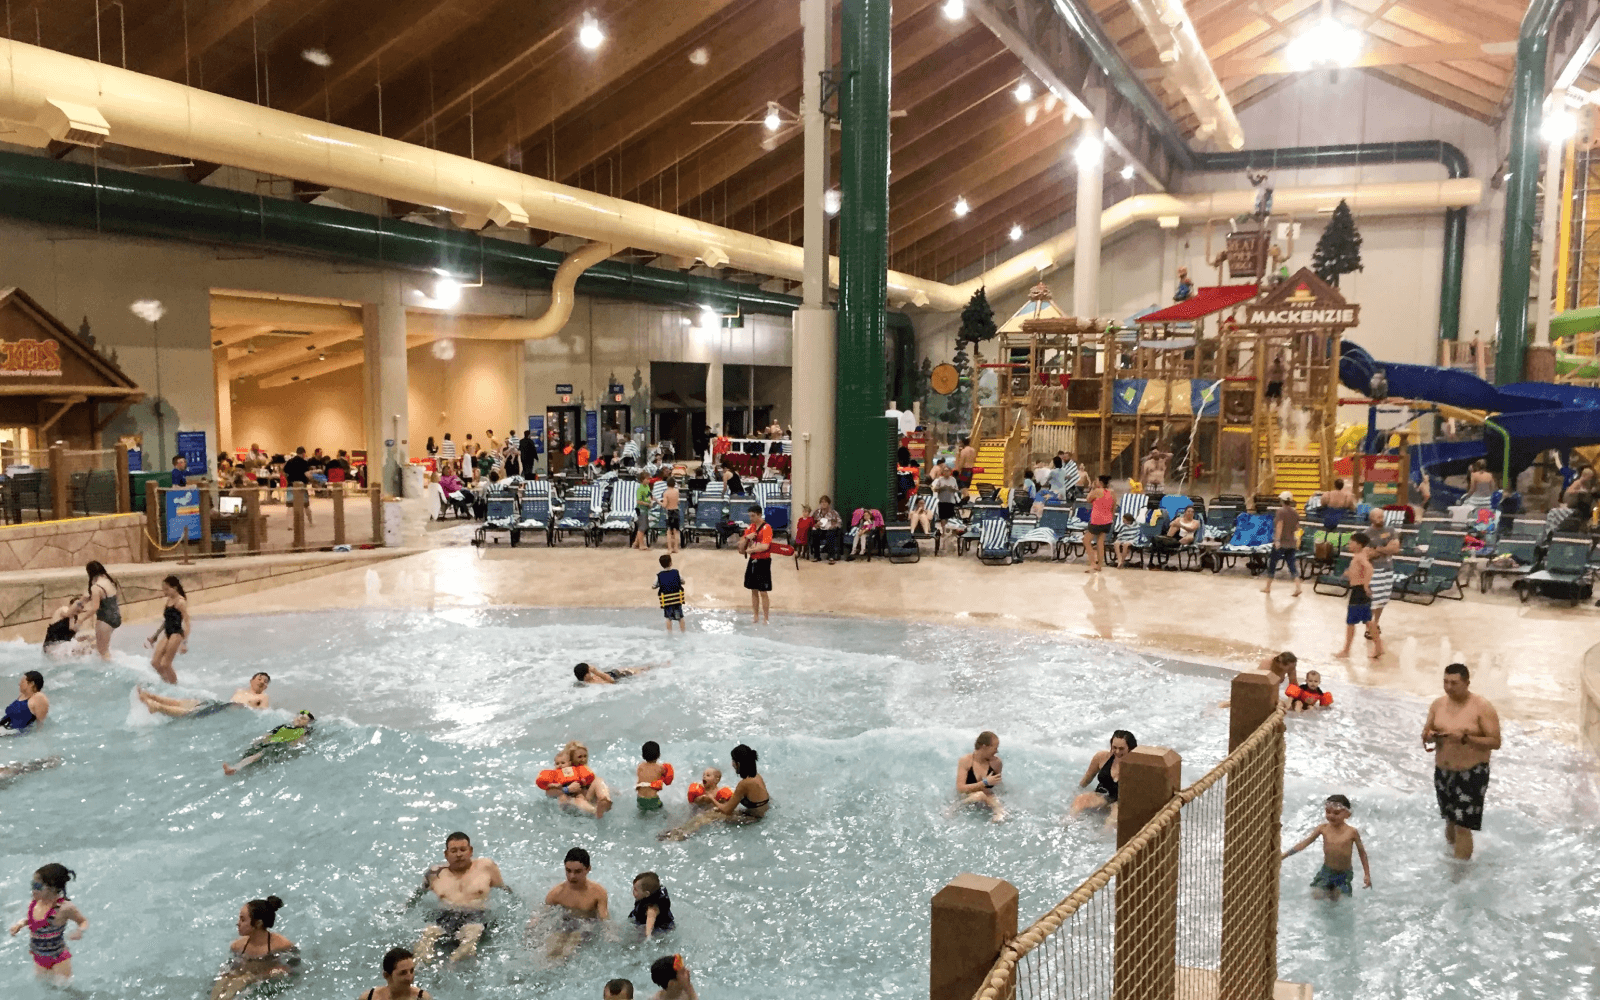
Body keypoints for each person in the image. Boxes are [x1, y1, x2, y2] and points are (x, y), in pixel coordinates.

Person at [1423, 663, 1501, 861]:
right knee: (1449, 821)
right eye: (1445, 682)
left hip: (1471, 772)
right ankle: (1451, 858)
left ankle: (1460, 874)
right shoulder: (1438, 704)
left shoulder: (1481, 707)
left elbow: (1495, 742)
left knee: (1463, 826)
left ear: (1467, 683)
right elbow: (1426, 734)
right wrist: (1431, 736)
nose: (1448, 687)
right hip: (1443, 772)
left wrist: (1466, 738)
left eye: (1454, 683)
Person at [411, 831, 509, 964]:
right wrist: (406, 907)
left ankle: (452, 967)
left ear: (470, 851)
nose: (459, 854)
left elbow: (504, 890)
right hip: (446, 915)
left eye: (463, 849)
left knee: (471, 934)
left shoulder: (486, 867)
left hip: (476, 915)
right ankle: (418, 973)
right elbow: (418, 895)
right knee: (427, 936)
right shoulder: (434, 874)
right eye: (454, 851)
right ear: (446, 854)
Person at [660, 744, 768, 841]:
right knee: (714, 810)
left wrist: (711, 798)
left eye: (733, 761)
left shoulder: (744, 784)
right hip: (758, 814)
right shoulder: (757, 777)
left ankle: (678, 835)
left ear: (738, 763)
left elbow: (726, 810)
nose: (732, 764)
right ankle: (681, 831)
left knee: (705, 816)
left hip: (751, 819)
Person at [1282, 794, 1371, 900]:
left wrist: (1367, 874)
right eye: (1328, 812)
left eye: (1336, 813)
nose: (1331, 816)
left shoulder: (1352, 832)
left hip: (1344, 874)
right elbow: (1304, 843)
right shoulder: (1323, 828)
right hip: (1326, 871)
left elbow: (1362, 853)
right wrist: (1284, 855)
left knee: (1337, 900)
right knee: (1316, 895)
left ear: (1347, 814)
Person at [529, 848, 609, 963]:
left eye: (577, 871)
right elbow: (541, 913)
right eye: (568, 871)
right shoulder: (556, 892)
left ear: (588, 869)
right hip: (565, 924)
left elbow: (604, 918)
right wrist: (532, 927)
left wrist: (610, 934)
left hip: (586, 925)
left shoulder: (598, 892)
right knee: (550, 952)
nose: (572, 876)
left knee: (567, 952)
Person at [9, 863, 86, 979]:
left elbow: (83, 921)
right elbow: (32, 921)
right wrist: (20, 924)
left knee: (64, 990)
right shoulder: (34, 904)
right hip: (39, 958)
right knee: (45, 989)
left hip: (59, 959)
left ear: (53, 888)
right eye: (32, 885)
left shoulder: (64, 908)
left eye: (37, 886)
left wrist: (80, 930)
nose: (33, 890)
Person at [211, 896, 297, 1000]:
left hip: (260, 980)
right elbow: (231, 966)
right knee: (220, 986)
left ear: (258, 923)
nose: (238, 923)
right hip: (243, 974)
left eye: (243, 919)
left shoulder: (281, 945)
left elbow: (290, 969)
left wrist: (251, 978)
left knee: (236, 984)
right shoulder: (237, 946)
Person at [139, 671, 271, 718]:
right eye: (259, 678)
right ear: (251, 680)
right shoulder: (240, 691)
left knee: (190, 712)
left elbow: (263, 714)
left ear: (266, 687)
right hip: (222, 706)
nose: (261, 682)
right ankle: (152, 697)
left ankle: (157, 707)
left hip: (224, 710)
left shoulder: (262, 697)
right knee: (186, 702)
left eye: (265, 682)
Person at [222, 710, 315, 774]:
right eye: (298, 717)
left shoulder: (304, 731)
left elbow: (302, 742)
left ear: (308, 723)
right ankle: (238, 766)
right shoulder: (284, 726)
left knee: (258, 755)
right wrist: (259, 740)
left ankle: (235, 768)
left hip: (279, 746)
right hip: (270, 742)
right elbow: (269, 733)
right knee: (251, 751)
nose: (299, 719)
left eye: (303, 719)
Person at [1072, 730, 1137, 821]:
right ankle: (1066, 825)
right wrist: (1076, 791)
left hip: (1120, 802)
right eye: (1114, 747)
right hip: (1103, 795)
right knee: (1080, 800)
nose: (1117, 751)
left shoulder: (1137, 765)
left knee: (1112, 820)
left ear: (1130, 748)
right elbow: (1087, 779)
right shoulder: (1101, 757)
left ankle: (1101, 835)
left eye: (1121, 749)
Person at [1335, 532, 1381, 658]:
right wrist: (1349, 573)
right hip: (1359, 590)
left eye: (1351, 542)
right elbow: (1359, 571)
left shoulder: (1360, 556)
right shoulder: (1359, 555)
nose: (1349, 544)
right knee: (1367, 621)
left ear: (1359, 545)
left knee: (1352, 622)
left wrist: (1366, 585)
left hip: (1359, 591)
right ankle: (1379, 647)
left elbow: (1369, 569)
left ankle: (1346, 650)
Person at [543, 741, 613, 817]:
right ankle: (595, 812)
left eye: (585, 756)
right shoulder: (561, 772)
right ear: (571, 760)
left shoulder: (585, 773)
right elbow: (548, 792)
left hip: (587, 799)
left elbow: (599, 785)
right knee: (576, 799)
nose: (583, 759)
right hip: (573, 803)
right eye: (579, 757)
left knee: (599, 780)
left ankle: (604, 801)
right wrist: (567, 789)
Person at [144, 574, 190, 685]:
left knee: (166, 663)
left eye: (166, 589)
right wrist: (155, 636)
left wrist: (184, 643)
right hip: (167, 633)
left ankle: (175, 686)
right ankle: (166, 682)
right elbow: (166, 621)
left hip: (177, 634)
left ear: (174, 588)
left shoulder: (180, 602)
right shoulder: (169, 600)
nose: (165, 592)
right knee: (155, 663)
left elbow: (187, 623)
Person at [1363, 508, 1400, 641]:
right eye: (1378, 517)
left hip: (1388, 569)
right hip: (1374, 571)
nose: (1381, 519)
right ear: (1371, 518)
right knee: (1373, 601)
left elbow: (1395, 548)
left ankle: (1376, 623)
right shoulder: (1366, 534)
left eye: (1382, 516)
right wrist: (1386, 549)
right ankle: (1369, 628)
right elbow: (1367, 554)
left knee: (1382, 601)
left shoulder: (1390, 530)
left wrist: (1377, 549)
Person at [955, 730, 1004, 822]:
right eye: (995, 748)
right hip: (967, 799)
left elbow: (996, 787)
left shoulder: (996, 763)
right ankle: (954, 809)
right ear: (984, 747)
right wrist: (985, 783)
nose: (997, 751)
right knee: (979, 795)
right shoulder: (966, 761)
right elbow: (960, 788)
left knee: (1001, 811)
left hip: (987, 799)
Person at [1262, 492, 1302, 596]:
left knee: (1272, 564)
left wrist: (1277, 540)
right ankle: (1298, 587)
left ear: (1282, 500)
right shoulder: (1294, 512)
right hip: (1291, 543)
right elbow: (1297, 527)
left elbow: (1279, 526)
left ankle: (1267, 587)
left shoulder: (1280, 511)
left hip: (1281, 543)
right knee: (1292, 565)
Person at [739, 505, 773, 624]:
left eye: (753, 516)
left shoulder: (767, 528)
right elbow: (740, 549)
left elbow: (765, 546)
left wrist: (752, 550)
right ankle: (755, 615)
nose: (751, 518)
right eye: (750, 516)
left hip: (763, 561)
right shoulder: (750, 528)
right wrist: (746, 538)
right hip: (752, 561)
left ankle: (766, 617)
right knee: (753, 589)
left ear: (759, 515)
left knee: (763, 591)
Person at [358, 947, 431, 1000]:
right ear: (387, 975)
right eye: (403, 973)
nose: (410, 977)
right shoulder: (368, 997)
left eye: (411, 971)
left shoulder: (422, 997)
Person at [83, 560, 121, 660]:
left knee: (103, 652)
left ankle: (109, 672)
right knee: (104, 649)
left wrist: (81, 620)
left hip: (104, 620)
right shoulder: (110, 582)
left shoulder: (96, 587)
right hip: (116, 617)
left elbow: (94, 608)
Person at [629, 872, 674, 939]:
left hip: (660, 929)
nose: (632, 891)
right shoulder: (647, 895)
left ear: (647, 894)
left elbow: (650, 922)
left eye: (635, 889)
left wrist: (648, 937)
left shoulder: (652, 908)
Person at [1085, 475, 1115, 573]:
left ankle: (1093, 563)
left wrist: (1092, 488)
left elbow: (1088, 499)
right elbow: (1113, 508)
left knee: (1086, 541)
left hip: (1097, 520)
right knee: (1100, 542)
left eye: (1097, 481)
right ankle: (1099, 566)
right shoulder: (1112, 493)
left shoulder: (1097, 491)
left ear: (1100, 483)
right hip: (1108, 521)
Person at [636, 740, 675, 813]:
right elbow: (667, 781)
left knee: (642, 813)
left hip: (640, 798)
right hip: (652, 799)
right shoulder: (660, 768)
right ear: (659, 755)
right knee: (663, 812)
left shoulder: (640, 766)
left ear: (642, 755)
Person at [653, 554, 686, 634]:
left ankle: (669, 633)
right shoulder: (676, 572)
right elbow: (683, 581)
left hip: (667, 602)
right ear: (671, 563)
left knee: (668, 618)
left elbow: (654, 586)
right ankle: (683, 632)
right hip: (677, 600)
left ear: (661, 565)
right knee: (680, 617)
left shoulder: (659, 575)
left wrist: (657, 585)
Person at [813, 495, 843, 564]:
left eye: (825, 502)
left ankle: (831, 557)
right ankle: (817, 556)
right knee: (814, 533)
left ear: (828, 503)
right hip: (820, 529)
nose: (823, 504)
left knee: (830, 534)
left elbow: (839, 522)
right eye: (822, 502)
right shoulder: (817, 512)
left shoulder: (833, 513)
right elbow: (812, 522)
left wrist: (834, 526)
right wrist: (815, 525)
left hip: (830, 529)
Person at [574, 662, 657, 685]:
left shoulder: (590, 679)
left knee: (638, 667)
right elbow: (611, 682)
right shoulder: (593, 683)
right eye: (589, 671)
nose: (591, 671)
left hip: (612, 673)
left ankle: (656, 665)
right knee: (642, 670)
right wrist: (596, 672)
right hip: (617, 677)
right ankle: (659, 666)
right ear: (586, 676)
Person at [662, 476, 681, 553]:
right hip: (676, 510)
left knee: (669, 531)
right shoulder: (676, 491)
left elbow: (664, 505)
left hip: (669, 512)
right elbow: (678, 501)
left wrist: (658, 501)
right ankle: (676, 548)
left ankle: (670, 548)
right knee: (676, 531)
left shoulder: (666, 493)